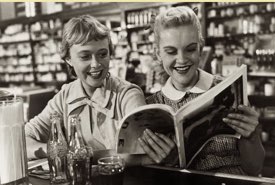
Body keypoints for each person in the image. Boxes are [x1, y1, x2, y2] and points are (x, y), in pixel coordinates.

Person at [138, 6, 265, 176]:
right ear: (158, 54)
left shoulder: (229, 90)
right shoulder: (152, 107)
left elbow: (254, 168)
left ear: (200, 48)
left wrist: (252, 136)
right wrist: (169, 164)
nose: (181, 59)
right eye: (171, 51)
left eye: (190, 49)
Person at [25, 15, 146, 160]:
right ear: (68, 59)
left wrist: (81, 155)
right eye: (85, 56)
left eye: (102, 54)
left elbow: (142, 153)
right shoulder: (65, 96)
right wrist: (54, 150)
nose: (96, 64)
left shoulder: (127, 95)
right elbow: (23, 139)